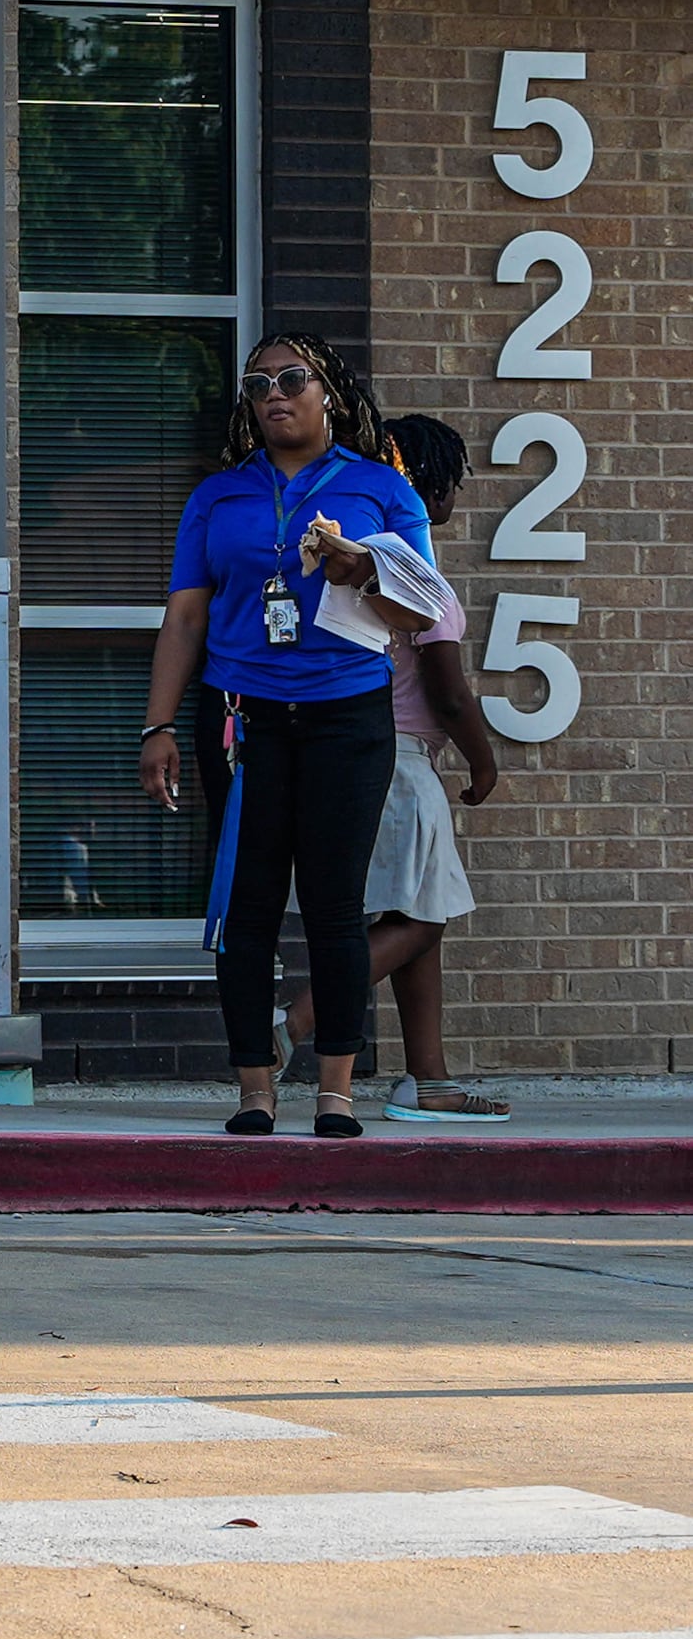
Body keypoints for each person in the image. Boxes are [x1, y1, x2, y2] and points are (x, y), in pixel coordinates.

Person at [140, 334, 435, 1141]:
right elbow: (186, 616)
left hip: (347, 716)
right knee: (247, 904)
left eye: (292, 379)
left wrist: (360, 570)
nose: (274, 394)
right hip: (243, 720)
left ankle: (334, 1093)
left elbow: (423, 613)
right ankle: (253, 1091)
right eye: (259, 383)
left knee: (336, 906)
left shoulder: (381, 490)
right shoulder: (218, 496)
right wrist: (156, 725)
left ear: (328, 393)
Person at [279, 414, 507, 1121]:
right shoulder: (413, 571)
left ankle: (426, 1077)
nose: (454, 500)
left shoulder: (355, 562)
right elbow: (447, 692)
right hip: (402, 763)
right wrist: (483, 760)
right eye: (453, 482)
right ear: (425, 482)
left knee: (413, 915)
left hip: (345, 757)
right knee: (422, 920)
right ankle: (291, 1024)